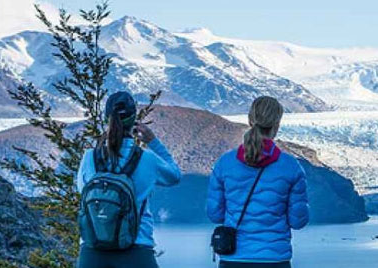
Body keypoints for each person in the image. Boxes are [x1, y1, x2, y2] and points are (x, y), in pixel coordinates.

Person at [76, 91, 182, 268]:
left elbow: (82, 191)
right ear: (134, 121)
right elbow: (174, 176)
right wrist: (153, 142)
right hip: (136, 248)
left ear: (106, 120)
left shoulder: (89, 157)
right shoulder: (147, 158)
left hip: (92, 248)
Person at [207, 96, 310, 268]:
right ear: (277, 125)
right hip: (275, 259)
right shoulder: (291, 167)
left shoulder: (224, 163)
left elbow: (215, 214)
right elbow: (298, 221)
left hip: (233, 259)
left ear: (249, 120)